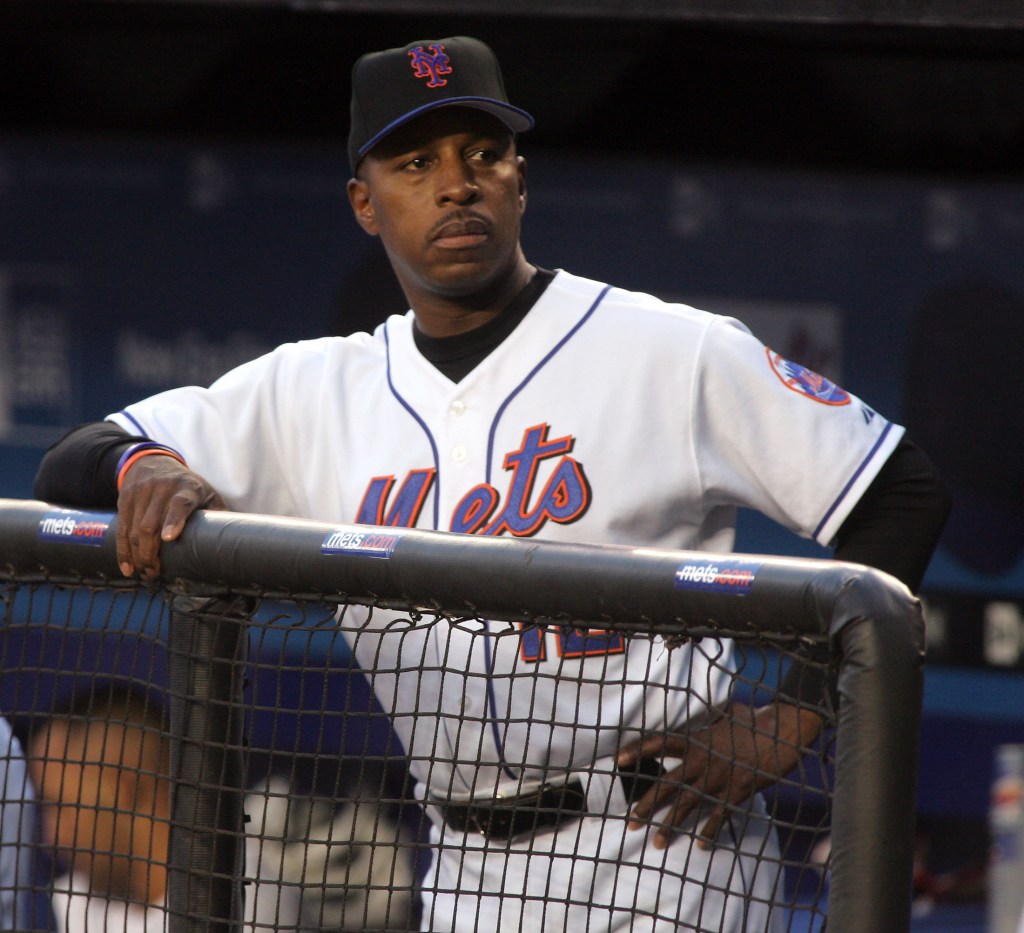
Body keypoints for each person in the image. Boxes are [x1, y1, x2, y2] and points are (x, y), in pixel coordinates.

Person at [33, 35, 950, 932]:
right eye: (415, 161)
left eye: (482, 153)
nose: (455, 182)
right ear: (365, 202)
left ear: (520, 178)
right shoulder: (310, 392)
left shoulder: (670, 351)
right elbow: (76, 454)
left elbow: (898, 489)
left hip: (668, 851)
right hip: (468, 866)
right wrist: (143, 463)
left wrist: (792, 711)